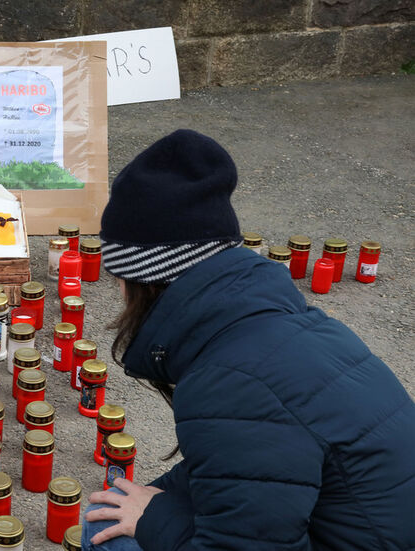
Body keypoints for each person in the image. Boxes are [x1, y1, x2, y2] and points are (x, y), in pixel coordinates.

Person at [81, 129, 415, 550]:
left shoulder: (230, 385)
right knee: (118, 506)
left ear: (144, 282)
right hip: (367, 527)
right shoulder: (281, 324)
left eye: (120, 279)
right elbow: (250, 467)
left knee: (106, 532)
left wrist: (154, 518)